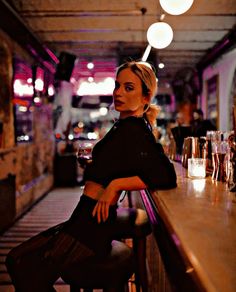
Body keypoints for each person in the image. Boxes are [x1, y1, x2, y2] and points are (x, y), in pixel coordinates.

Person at [5, 60, 177, 292]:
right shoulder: (125, 125)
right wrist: (98, 166)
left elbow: (166, 175)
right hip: (83, 218)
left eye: (128, 88)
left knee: (19, 263)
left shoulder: (133, 129)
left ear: (146, 97)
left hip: (92, 226)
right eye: (117, 86)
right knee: (18, 260)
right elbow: (120, 162)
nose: (118, 93)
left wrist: (115, 185)